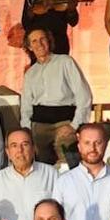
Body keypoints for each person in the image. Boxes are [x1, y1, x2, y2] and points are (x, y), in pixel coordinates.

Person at [21, 29, 93, 165]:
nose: (39, 44)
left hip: (64, 122)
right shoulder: (30, 73)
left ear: (49, 41)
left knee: (70, 165)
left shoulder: (65, 62)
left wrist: (74, 125)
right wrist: (27, 130)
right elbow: (26, 105)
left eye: (42, 39)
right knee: (41, 168)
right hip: (39, 126)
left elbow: (83, 95)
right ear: (29, 47)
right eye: (34, 41)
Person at [53, 123, 110, 220]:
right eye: (87, 143)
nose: (92, 148)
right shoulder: (64, 181)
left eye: (98, 143)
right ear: (79, 145)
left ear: (106, 144)